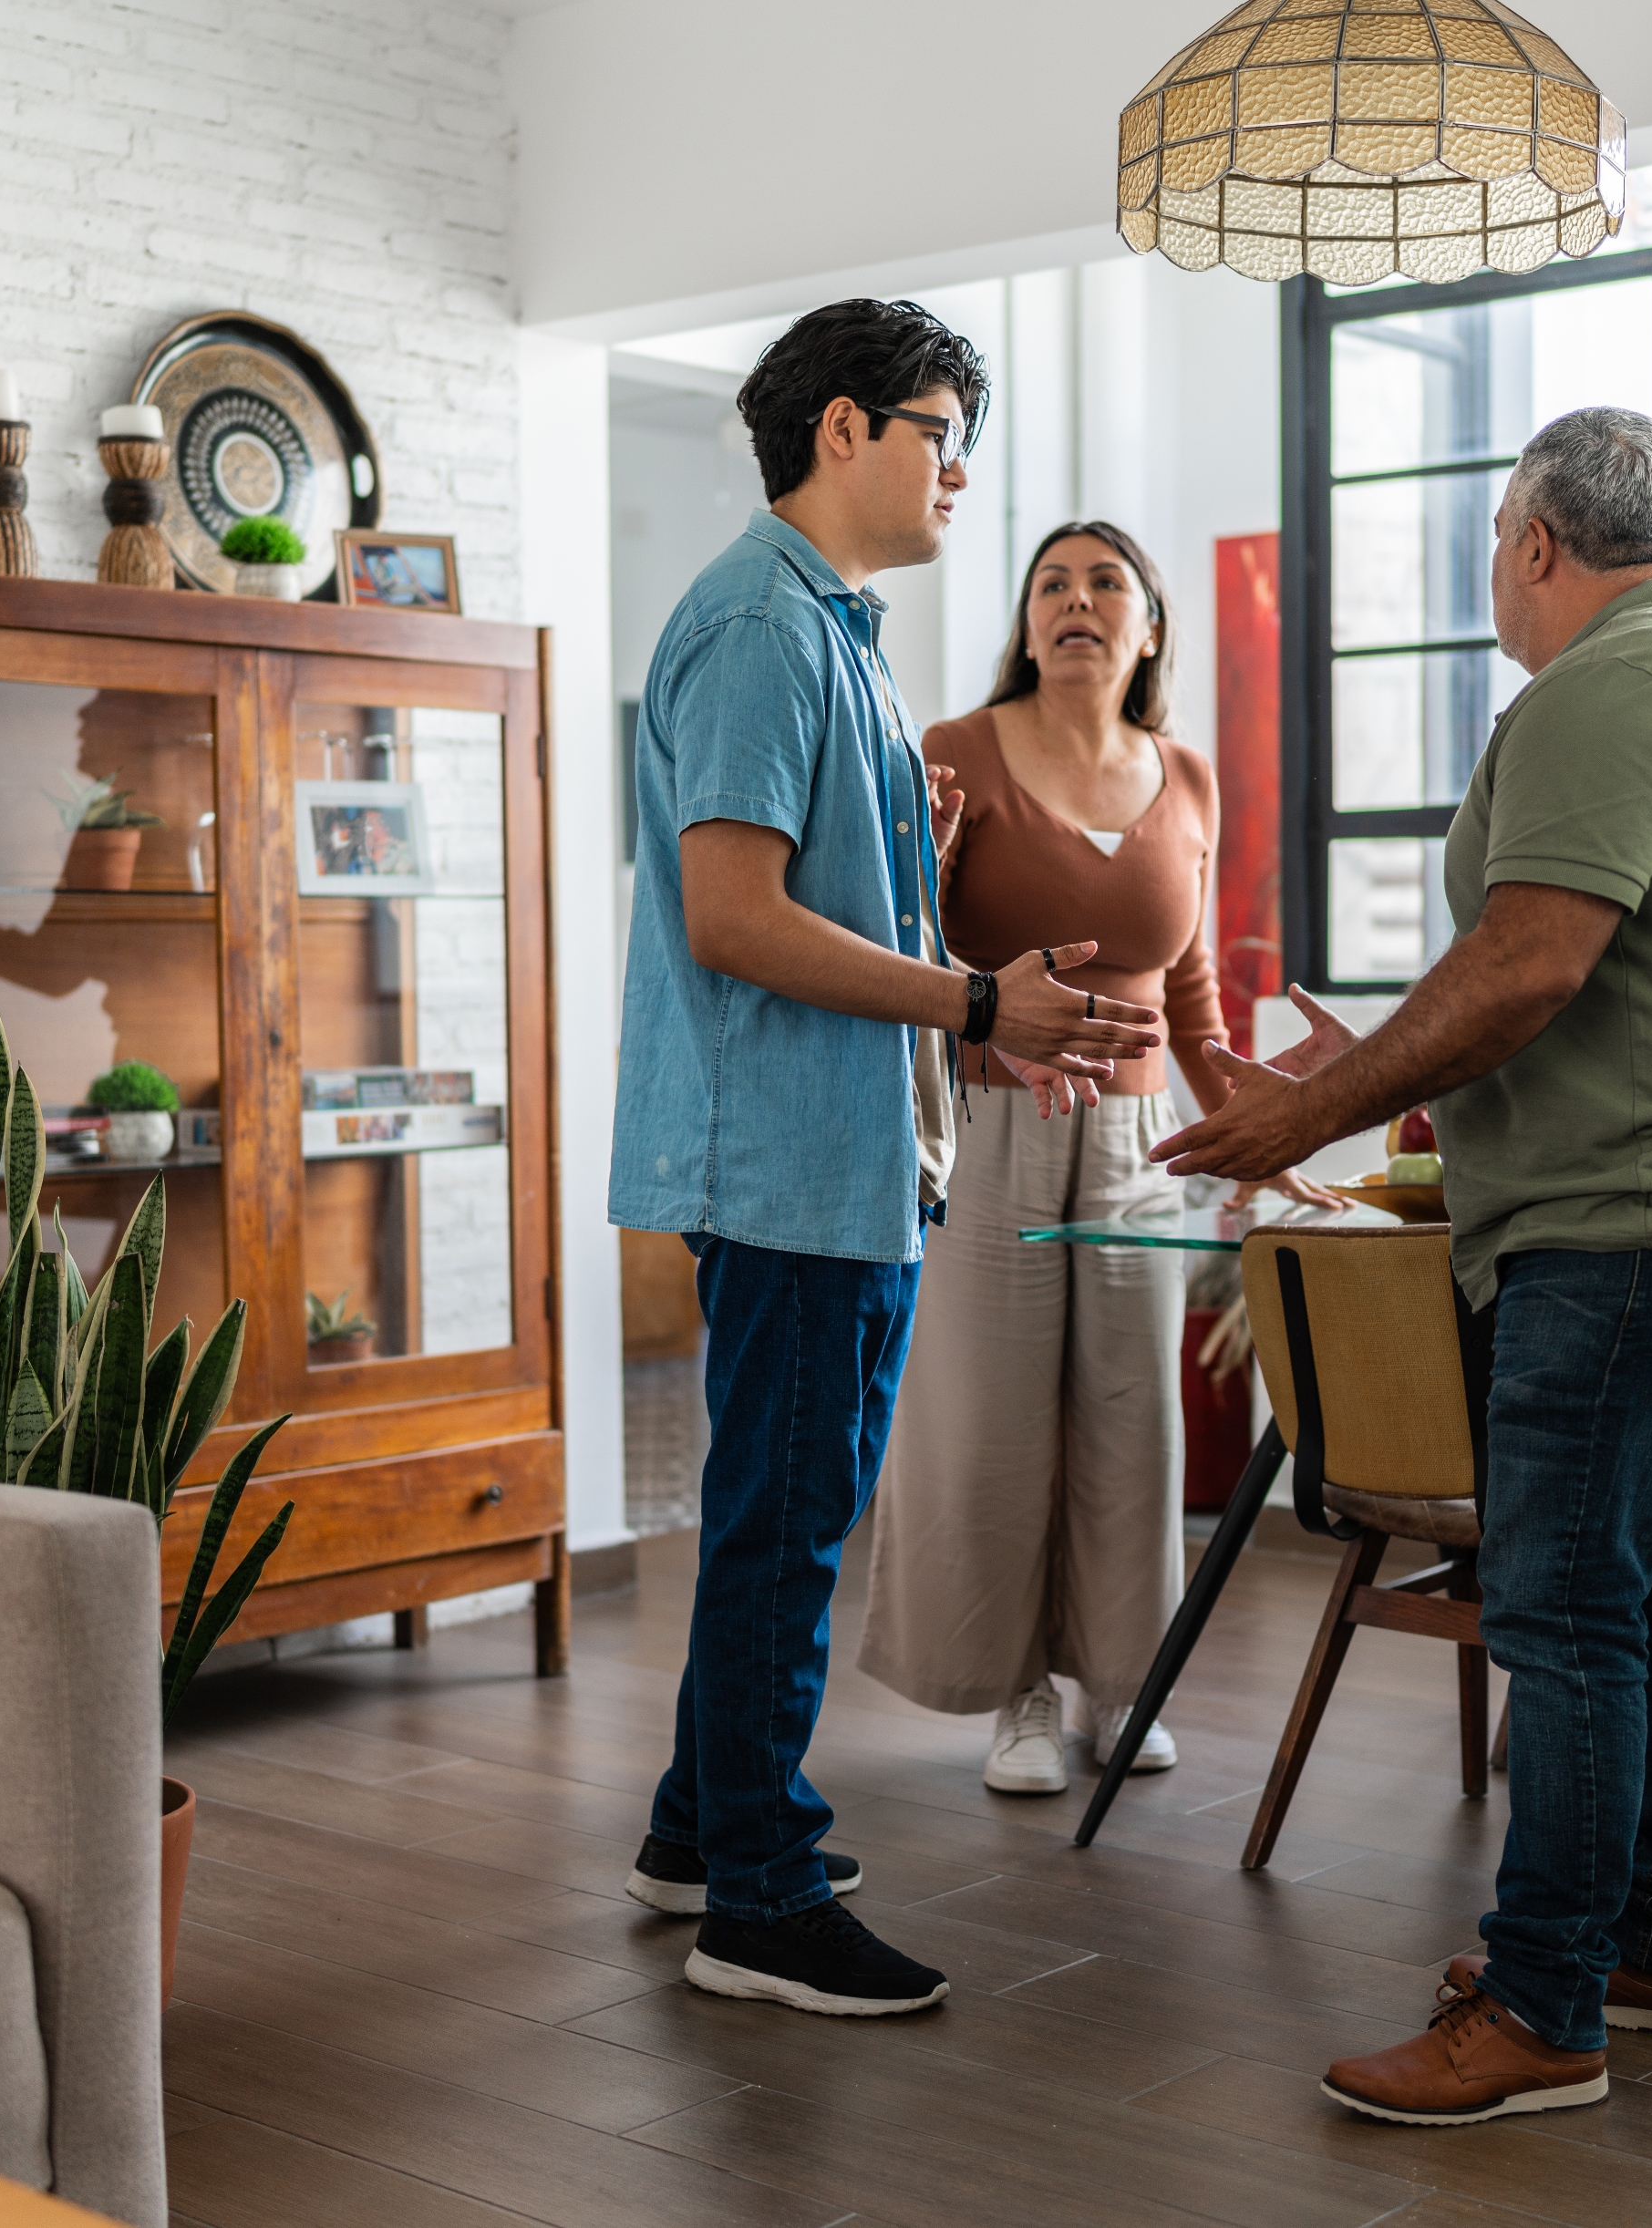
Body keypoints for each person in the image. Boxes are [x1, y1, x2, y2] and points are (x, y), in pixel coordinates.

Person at [1154, 405, 1652, 2121]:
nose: (1489, 579)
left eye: (1490, 546)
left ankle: (1543, 2008)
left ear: (1536, 542)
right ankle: (1647, 1952)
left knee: (1561, 1614)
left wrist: (1312, 1110)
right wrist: (1360, 1068)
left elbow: (1530, 962)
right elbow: (1555, 980)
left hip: (1634, 1232)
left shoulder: (1607, 681)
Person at [606, 300, 1163, 2018]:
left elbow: (803, 894)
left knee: (789, 1512)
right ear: (843, 430)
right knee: (784, 1528)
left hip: (842, 1154)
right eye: (939, 431)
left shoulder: (835, 631)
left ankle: (704, 1831)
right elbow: (728, 919)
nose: (958, 473)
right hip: (781, 1161)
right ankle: (757, 1906)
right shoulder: (765, 630)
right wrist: (977, 994)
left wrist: (909, 880)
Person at [858, 521, 1334, 1794]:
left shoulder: (1185, 775)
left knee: (1134, 1417)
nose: (1075, 601)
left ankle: (1121, 1684)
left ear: (1149, 627)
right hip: (988, 1122)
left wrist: (1265, 1130)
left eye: (1105, 583)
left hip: (1132, 1140)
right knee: (990, 1420)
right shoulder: (953, 751)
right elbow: (901, 942)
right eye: (1051, 584)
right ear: (1024, 625)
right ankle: (1012, 1694)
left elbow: (1192, 1006)